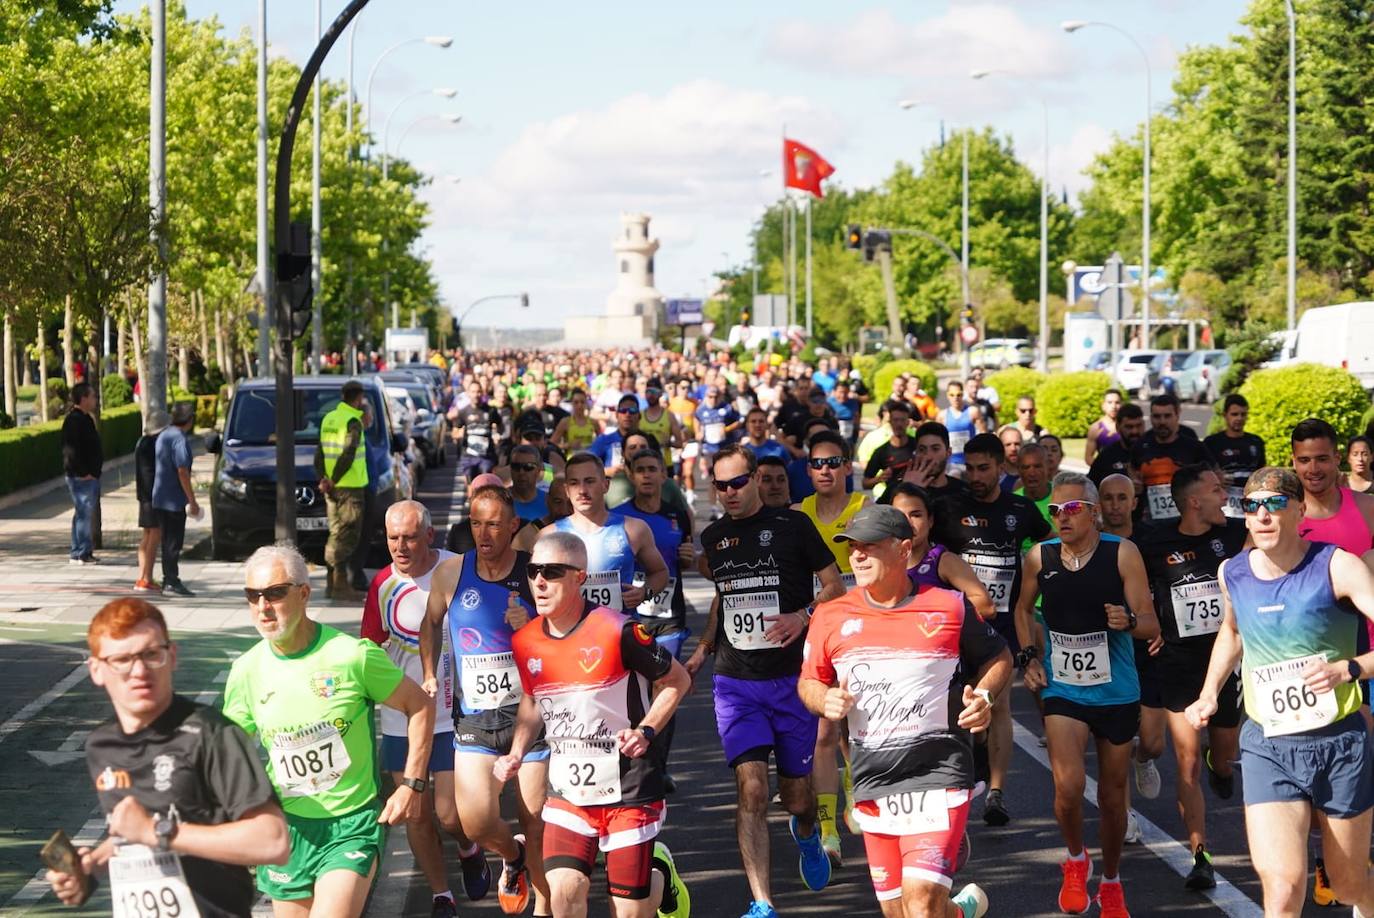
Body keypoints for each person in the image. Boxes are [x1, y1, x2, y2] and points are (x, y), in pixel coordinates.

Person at [799, 504, 1010, 918]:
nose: (857, 555)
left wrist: (983, 697)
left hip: (940, 773)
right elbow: (808, 682)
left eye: (870, 547)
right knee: (900, 911)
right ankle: (961, 911)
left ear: (903, 549)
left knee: (921, 905)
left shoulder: (948, 606)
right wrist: (823, 700)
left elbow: (999, 656)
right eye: (853, 547)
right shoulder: (830, 615)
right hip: (874, 779)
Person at [1185, 467, 1374, 917]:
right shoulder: (1232, 572)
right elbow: (1231, 633)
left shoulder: (1338, 565)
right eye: (1252, 506)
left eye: (1273, 504)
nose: (1262, 515)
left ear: (1299, 509)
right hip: (1268, 744)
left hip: (1339, 744)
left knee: (1347, 886)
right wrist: (1209, 692)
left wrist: (1351, 668)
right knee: (1283, 887)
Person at [223, 544, 437, 916]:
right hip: (289, 829)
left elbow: (420, 705)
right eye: (253, 596)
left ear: (303, 594)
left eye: (274, 593)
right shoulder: (246, 670)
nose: (263, 607)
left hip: (350, 824)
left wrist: (412, 785)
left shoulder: (352, 655)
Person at [43, 598, 289, 915]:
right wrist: (91, 866)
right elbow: (135, 832)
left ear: (171, 656)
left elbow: (272, 841)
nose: (139, 671)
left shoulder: (213, 735)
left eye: (151, 654)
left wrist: (158, 832)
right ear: (97, 670)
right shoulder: (101, 746)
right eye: (121, 659)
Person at [493, 531, 693, 918]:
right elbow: (533, 700)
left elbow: (677, 680)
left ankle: (659, 876)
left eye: (551, 572)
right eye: (533, 571)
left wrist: (646, 730)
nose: (539, 581)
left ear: (579, 577)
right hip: (569, 790)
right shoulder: (526, 641)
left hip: (629, 787)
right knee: (565, 892)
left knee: (629, 910)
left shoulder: (618, 631)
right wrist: (516, 752)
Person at [685, 444, 844, 917]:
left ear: (756, 479)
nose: (730, 492)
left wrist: (803, 615)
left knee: (796, 798)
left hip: (792, 682)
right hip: (736, 684)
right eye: (721, 485)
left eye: (738, 482)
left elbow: (834, 585)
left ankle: (808, 833)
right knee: (752, 789)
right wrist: (704, 649)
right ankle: (762, 903)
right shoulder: (714, 537)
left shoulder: (793, 526)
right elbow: (723, 600)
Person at [1015, 472, 1160, 918]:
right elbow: (1021, 609)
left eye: (1072, 509)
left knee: (1114, 799)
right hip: (1065, 688)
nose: (1061, 517)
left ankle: (1112, 883)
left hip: (1116, 690)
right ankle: (1076, 859)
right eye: (1055, 510)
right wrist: (1029, 658)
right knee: (1069, 785)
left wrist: (1129, 622)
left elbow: (1152, 624)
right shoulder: (1041, 556)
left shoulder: (1123, 554)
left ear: (1094, 513)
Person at [421, 485, 552, 916]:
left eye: (494, 524)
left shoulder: (536, 574)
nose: (484, 533)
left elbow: (563, 631)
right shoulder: (452, 573)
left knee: (535, 821)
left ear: (513, 527)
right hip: (475, 719)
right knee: (473, 821)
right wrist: (428, 671)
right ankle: (511, 859)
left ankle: (545, 909)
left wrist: (531, 622)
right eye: (476, 523)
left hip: (529, 717)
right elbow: (430, 623)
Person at [361, 500, 489, 917]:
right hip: (402, 718)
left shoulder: (457, 567)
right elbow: (368, 647)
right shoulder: (382, 584)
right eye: (393, 537)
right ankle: (441, 895)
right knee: (415, 814)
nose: (400, 546)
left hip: (455, 710)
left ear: (429, 536)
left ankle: (468, 848)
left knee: (449, 814)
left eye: (410, 537)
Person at [1135, 465, 1246, 890]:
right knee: (1187, 762)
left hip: (1224, 664)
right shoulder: (1153, 540)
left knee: (1223, 752)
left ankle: (1224, 768)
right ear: (1194, 500)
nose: (1225, 496)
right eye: (1218, 489)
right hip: (1178, 663)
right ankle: (1201, 855)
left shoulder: (1236, 535)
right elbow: (1134, 581)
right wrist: (1150, 622)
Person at [940, 433, 1052, 826]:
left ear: (1001, 469)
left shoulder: (1019, 509)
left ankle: (997, 794)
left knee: (997, 702)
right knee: (961, 706)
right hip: (955, 623)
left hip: (1001, 622)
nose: (975, 476)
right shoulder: (948, 508)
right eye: (969, 469)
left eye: (983, 468)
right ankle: (978, 751)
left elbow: (1050, 544)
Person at [793, 431, 868, 864]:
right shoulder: (798, 514)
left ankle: (855, 786)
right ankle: (827, 830)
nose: (825, 470)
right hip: (818, 628)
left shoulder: (865, 510)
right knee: (823, 728)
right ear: (809, 470)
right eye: (817, 463)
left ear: (847, 467)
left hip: (861, 631)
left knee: (856, 724)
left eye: (833, 462)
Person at [545, 452, 669, 615]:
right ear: (567, 490)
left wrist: (644, 592)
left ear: (606, 485)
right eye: (574, 483)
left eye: (589, 481)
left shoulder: (634, 529)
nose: (582, 490)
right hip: (570, 636)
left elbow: (660, 572)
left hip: (618, 634)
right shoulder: (548, 536)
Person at [890, 482, 996, 619]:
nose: (908, 524)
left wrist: (930, 615)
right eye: (900, 516)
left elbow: (987, 607)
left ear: (930, 520)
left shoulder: (943, 561)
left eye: (916, 515)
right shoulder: (883, 562)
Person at [315, 380, 370, 602]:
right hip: (349, 488)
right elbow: (348, 453)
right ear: (358, 398)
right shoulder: (352, 421)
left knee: (336, 533)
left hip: (332, 488)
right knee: (348, 536)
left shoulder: (329, 418)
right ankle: (340, 586)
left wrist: (323, 479)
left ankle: (333, 584)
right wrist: (334, 480)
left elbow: (319, 453)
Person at [1131, 394, 1212, 523]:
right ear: (1150, 418)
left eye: (1167, 416)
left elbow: (1211, 478)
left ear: (1177, 416)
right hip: (1150, 524)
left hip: (1187, 521)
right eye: (1157, 416)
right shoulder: (1140, 446)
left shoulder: (1194, 447)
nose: (1162, 422)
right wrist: (1134, 485)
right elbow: (1132, 476)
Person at [151, 402, 199, 598]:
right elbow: (182, 471)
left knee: (167, 541)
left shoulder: (164, 434)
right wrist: (192, 500)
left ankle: (168, 578)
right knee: (173, 542)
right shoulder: (179, 439)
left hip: (160, 496)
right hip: (173, 499)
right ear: (189, 420)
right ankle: (171, 579)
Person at [1203, 394, 1266, 518]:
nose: (1239, 418)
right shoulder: (1211, 443)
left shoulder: (1256, 441)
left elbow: (1261, 472)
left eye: (1243, 414)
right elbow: (1200, 475)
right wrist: (1216, 478)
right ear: (1225, 415)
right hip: (1222, 505)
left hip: (1250, 505)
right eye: (1234, 414)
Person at [61, 381, 102, 565]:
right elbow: (71, 451)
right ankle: (82, 552)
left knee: (82, 513)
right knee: (84, 514)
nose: (95, 399)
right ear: (83, 398)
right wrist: (83, 472)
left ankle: (78, 550)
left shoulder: (86, 419)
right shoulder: (74, 421)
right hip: (81, 477)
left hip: (89, 475)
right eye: (92, 396)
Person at [133, 410, 169, 592]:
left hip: (144, 495)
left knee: (147, 535)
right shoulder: (157, 444)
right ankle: (147, 578)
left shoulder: (142, 442)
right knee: (155, 536)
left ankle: (142, 577)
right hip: (154, 496)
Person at [863, 400, 916, 503]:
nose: (899, 424)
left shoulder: (918, 446)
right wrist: (879, 478)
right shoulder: (881, 452)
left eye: (902, 420)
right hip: (891, 500)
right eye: (895, 420)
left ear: (908, 422)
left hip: (916, 498)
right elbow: (865, 483)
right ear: (890, 421)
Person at [453, 379, 505, 481]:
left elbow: (500, 426)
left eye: (478, 392)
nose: (476, 395)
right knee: (470, 485)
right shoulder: (463, 412)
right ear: (468, 393)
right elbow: (454, 432)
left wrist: (497, 434)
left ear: (482, 393)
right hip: (468, 455)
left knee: (485, 482)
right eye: (473, 392)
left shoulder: (490, 411)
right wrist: (459, 434)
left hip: (486, 455)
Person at [1087, 403, 1146, 488]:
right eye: (1129, 427)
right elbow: (1092, 487)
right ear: (1118, 427)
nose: (1135, 431)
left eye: (1138, 426)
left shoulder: (1153, 451)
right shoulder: (1106, 456)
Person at [589, 394, 645, 478]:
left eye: (632, 410)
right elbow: (587, 467)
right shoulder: (604, 440)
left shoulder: (648, 440)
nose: (627, 414)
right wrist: (606, 471)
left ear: (639, 415)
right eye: (623, 410)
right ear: (616, 415)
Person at [941, 382, 980, 473]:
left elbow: (983, 434)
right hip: (951, 463)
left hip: (970, 462)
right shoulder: (942, 415)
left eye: (959, 395)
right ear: (947, 395)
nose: (955, 398)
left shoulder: (973, 412)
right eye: (952, 395)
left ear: (963, 394)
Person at [508, 443, 550, 523]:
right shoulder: (501, 501)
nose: (521, 472)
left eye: (528, 467)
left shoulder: (549, 502)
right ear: (510, 469)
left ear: (538, 470)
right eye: (516, 466)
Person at [551, 388, 601, 453]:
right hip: (572, 460)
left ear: (586, 403)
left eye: (582, 402)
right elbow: (551, 444)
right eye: (576, 402)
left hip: (589, 459)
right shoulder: (565, 422)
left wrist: (594, 445)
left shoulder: (593, 422)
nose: (579, 405)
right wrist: (568, 445)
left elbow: (601, 443)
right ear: (572, 403)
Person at [1085, 389, 1124, 466]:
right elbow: (1088, 457)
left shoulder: (1130, 427)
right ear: (1103, 405)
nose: (1113, 406)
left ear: (1122, 405)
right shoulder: (1096, 428)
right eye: (1109, 402)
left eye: (1117, 402)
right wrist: (1103, 469)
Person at [827, 380, 861, 449]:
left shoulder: (853, 403)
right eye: (840, 392)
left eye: (845, 392)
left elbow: (857, 418)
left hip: (848, 439)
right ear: (834, 392)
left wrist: (857, 430)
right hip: (832, 439)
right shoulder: (828, 403)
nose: (843, 395)